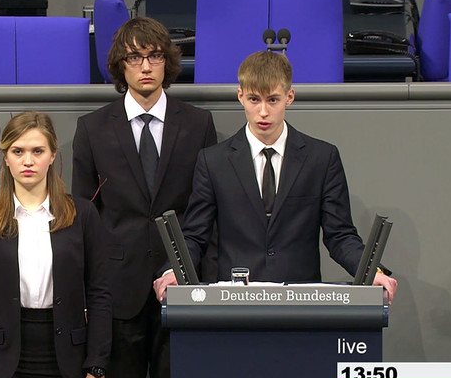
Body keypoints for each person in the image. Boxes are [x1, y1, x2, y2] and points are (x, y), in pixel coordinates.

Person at [153, 50, 398, 304]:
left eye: (272, 100)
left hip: (301, 305)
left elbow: (341, 236)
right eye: (253, 99)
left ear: (289, 97)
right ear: (240, 97)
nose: (262, 112)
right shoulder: (213, 161)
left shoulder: (321, 158)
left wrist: (373, 272)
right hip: (235, 305)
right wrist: (174, 271)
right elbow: (195, 235)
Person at [72, 16, 217, 378]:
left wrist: (196, 274)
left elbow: (207, 211)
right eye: (135, 58)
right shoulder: (94, 129)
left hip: (185, 287)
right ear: (120, 65)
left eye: (154, 56)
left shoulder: (197, 124)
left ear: (166, 62)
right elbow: (84, 216)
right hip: (119, 294)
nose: (146, 66)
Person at [0, 111, 111, 378]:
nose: (27, 160)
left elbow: (100, 295)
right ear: (5, 158)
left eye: (37, 151)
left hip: (64, 367)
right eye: (18, 151)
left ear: (53, 155)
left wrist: (96, 370)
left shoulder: (82, 215)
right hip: (3, 369)